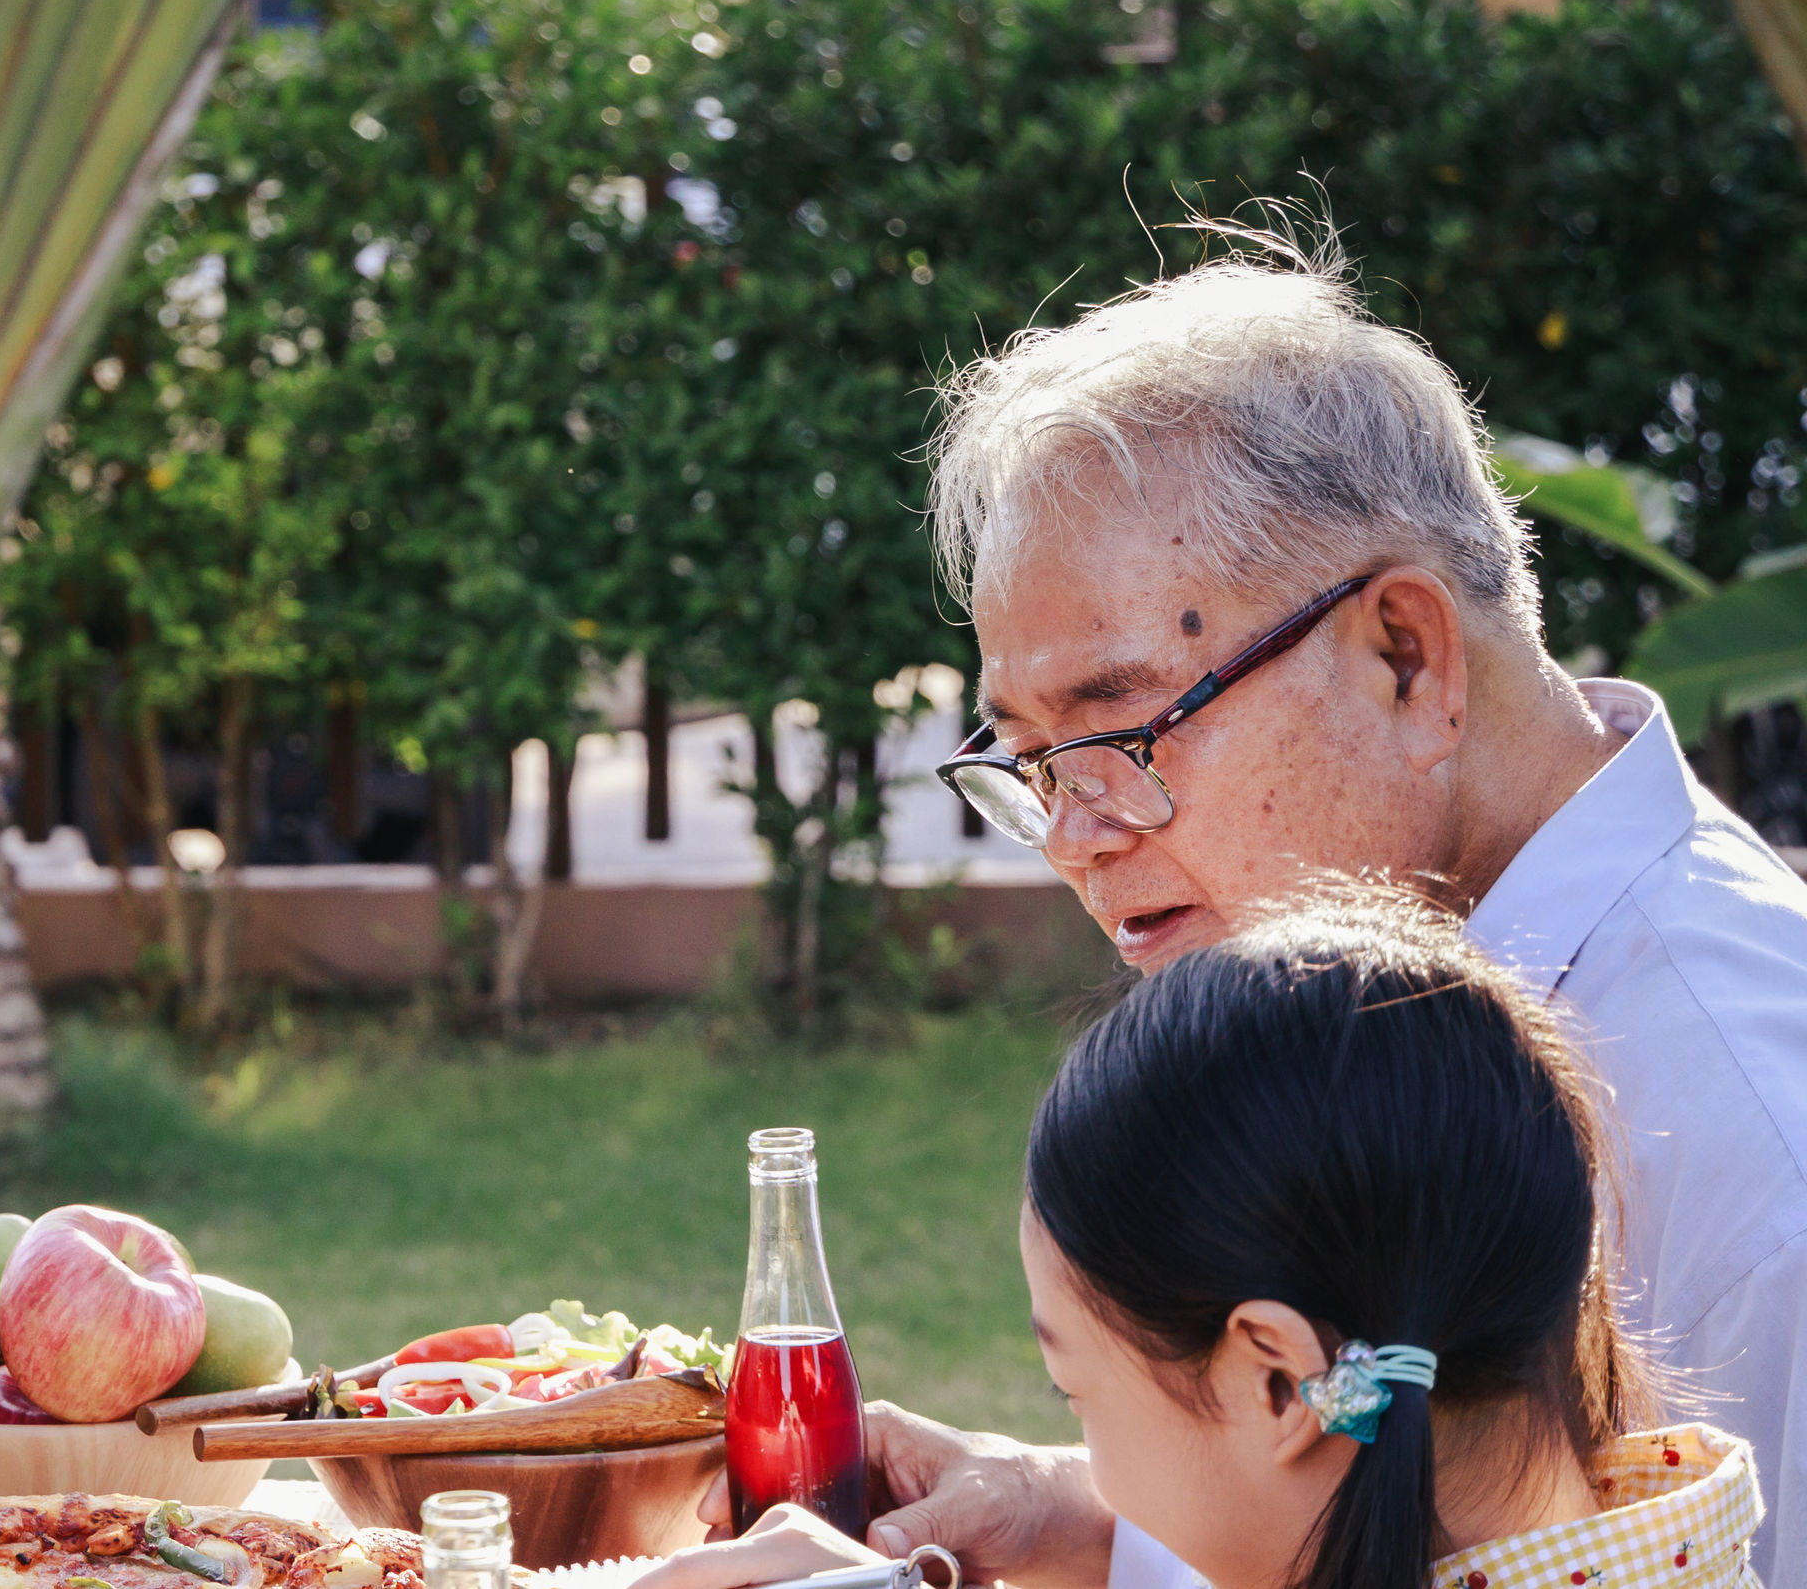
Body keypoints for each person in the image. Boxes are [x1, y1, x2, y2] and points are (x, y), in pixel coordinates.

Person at [893, 225, 1807, 1589]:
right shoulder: (1386, 1027)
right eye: (1028, 764)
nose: (1075, 838)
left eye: (1124, 730)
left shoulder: (1756, 1141)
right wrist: (1094, 1518)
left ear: (1405, 653)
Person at [638, 891, 1762, 1589]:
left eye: (1073, 1396)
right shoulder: (1648, 1531)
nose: (1082, 1450)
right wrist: (1049, 1512)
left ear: (1279, 1381)